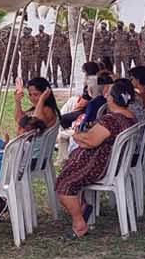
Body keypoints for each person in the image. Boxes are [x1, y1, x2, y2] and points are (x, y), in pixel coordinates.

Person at [50, 80, 138, 240]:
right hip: (111, 162)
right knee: (67, 177)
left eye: (108, 93)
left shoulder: (112, 120)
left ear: (113, 98)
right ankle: (82, 207)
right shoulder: (129, 117)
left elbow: (91, 141)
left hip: (100, 165)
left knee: (63, 186)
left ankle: (79, 224)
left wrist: (76, 135)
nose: (105, 96)